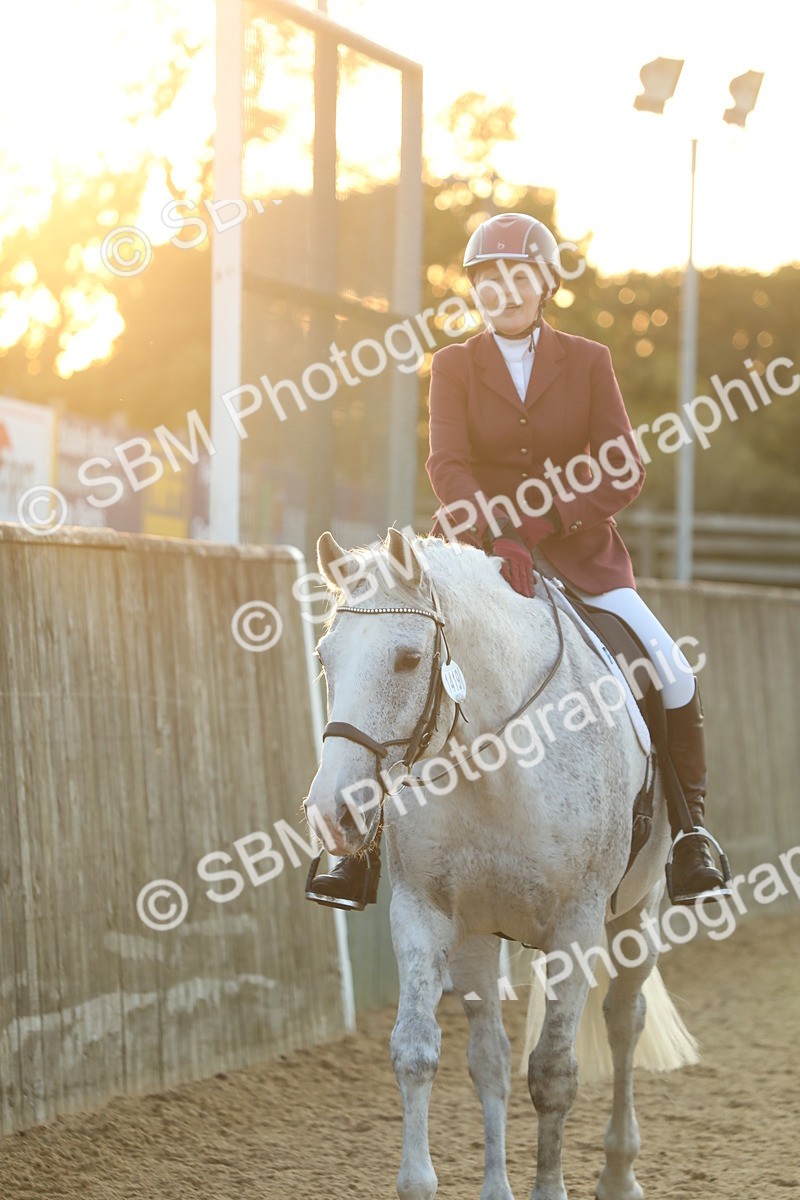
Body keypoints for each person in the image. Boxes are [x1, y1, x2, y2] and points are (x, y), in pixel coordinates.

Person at [307, 212, 729, 912]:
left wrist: (538, 524)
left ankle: (690, 839)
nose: (501, 290)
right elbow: (448, 462)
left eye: (517, 276)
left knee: (674, 675)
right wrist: (494, 532)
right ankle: (356, 852)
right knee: (392, 665)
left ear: (544, 284)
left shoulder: (588, 361)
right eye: (486, 280)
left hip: (584, 559)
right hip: (474, 556)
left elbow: (622, 468)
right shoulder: (453, 365)